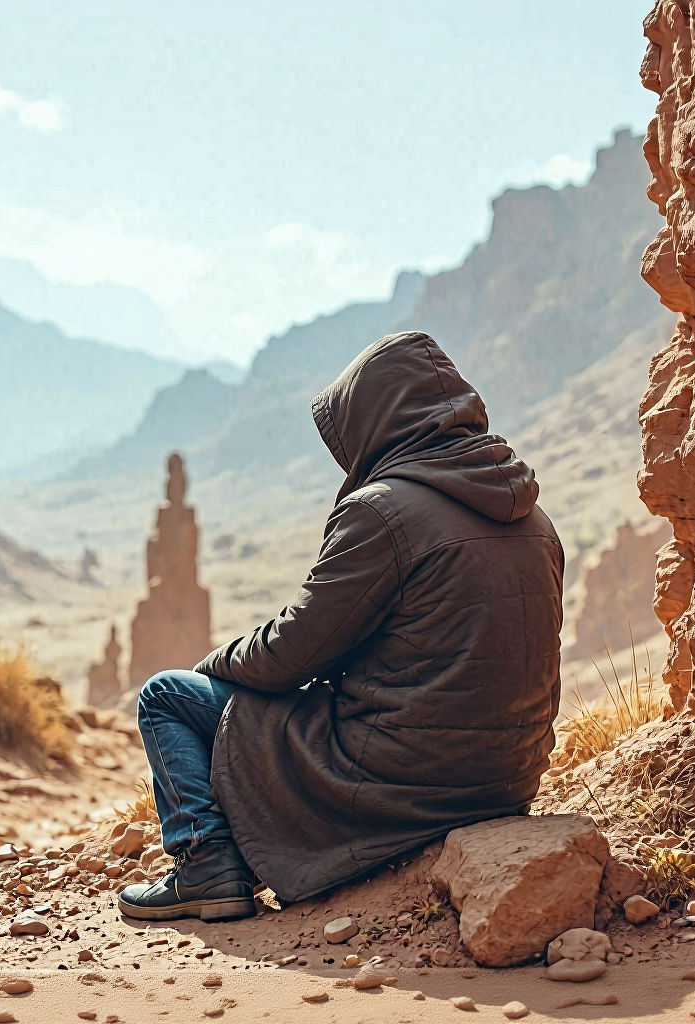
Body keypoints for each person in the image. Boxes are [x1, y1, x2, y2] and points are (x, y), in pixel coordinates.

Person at [118, 331, 564, 923]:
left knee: (167, 696)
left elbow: (294, 654)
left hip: (400, 777)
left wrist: (215, 667)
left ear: (376, 420)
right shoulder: (535, 516)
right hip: (506, 782)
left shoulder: (383, 509)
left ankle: (206, 866)